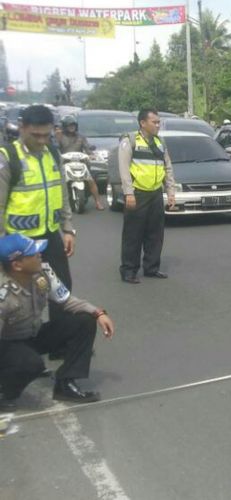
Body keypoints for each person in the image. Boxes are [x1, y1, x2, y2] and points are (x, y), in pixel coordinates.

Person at [0, 233, 115, 411]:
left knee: (84, 321)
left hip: (31, 334)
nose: (40, 255)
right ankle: (5, 392)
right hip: (6, 344)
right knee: (31, 364)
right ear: (17, 265)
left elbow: (66, 301)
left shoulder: (41, 275)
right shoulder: (3, 292)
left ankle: (65, 384)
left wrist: (98, 312)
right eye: (34, 254)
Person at [0, 105, 77, 324]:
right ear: (22, 128)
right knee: (15, 292)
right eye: (36, 135)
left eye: (47, 134)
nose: (42, 140)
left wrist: (68, 228)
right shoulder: (7, 157)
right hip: (18, 241)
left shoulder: (52, 153)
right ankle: (17, 345)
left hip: (50, 235)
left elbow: (62, 193)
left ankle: (59, 339)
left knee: (61, 287)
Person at [117, 109, 176, 283]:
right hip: (137, 193)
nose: (158, 125)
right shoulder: (130, 140)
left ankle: (151, 267)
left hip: (155, 193)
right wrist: (128, 193)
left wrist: (171, 192)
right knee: (133, 234)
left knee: (155, 234)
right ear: (143, 123)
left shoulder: (160, 142)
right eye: (154, 122)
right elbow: (124, 169)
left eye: (159, 122)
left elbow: (168, 168)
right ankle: (129, 270)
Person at [58, 115, 105, 210]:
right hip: (64, 163)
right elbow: (56, 148)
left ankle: (98, 202)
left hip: (79, 163)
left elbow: (87, 148)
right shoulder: (60, 137)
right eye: (69, 125)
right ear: (64, 126)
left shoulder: (81, 137)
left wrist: (92, 155)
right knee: (57, 182)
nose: (72, 127)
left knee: (91, 180)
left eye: (73, 125)